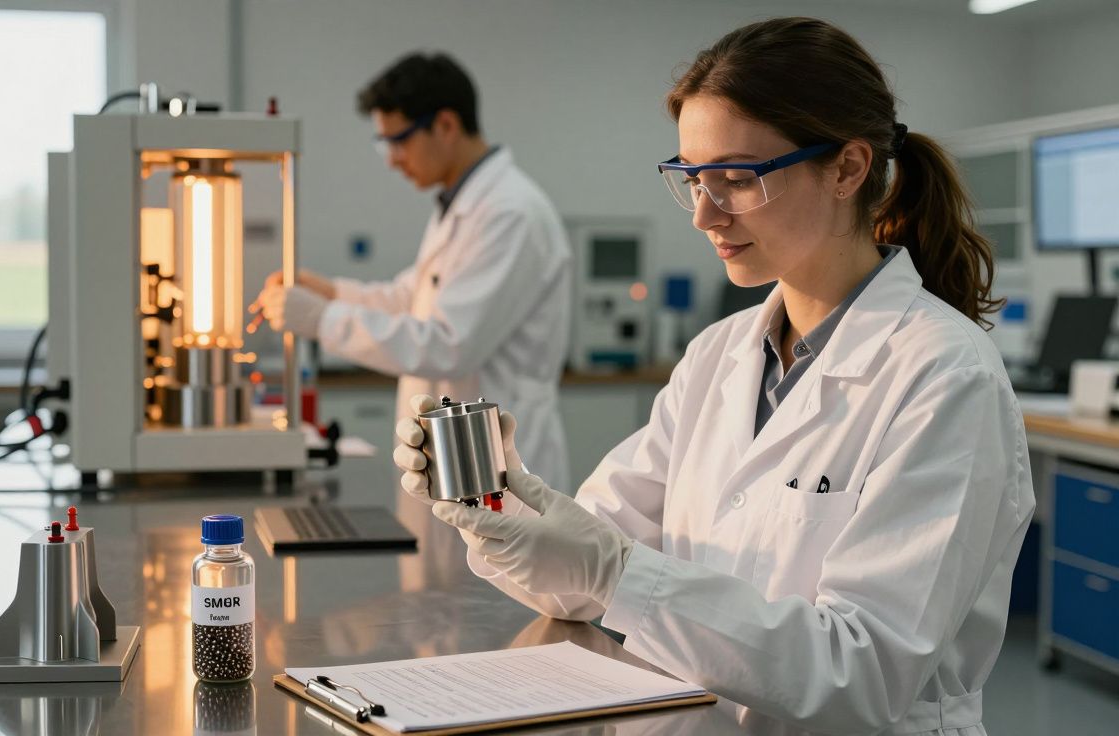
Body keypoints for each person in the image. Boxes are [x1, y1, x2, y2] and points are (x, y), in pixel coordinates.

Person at [394, 18, 1033, 736]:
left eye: (736, 179)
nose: (703, 213)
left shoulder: (944, 376)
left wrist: (617, 574)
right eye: (692, 178)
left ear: (848, 169)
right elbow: (585, 568)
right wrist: (502, 512)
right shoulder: (720, 356)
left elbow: (868, 671)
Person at [256, 52, 572, 491]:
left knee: (492, 559)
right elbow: (412, 297)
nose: (391, 159)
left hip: (498, 463)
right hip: (455, 456)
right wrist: (329, 292)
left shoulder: (510, 213)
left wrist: (321, 318)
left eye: (398, 140)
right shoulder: (461, 204)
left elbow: (447, 345)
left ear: (445, 125)